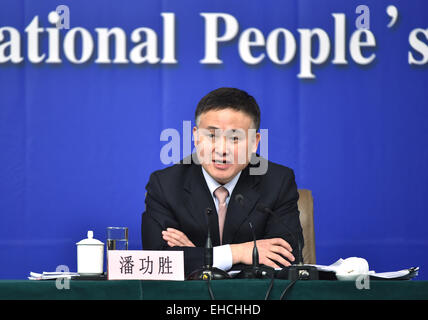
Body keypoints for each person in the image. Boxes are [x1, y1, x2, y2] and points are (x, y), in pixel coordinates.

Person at [141, 87, 303, 276]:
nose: (222, 149)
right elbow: (159, 262)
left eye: (235, 138)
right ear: (196, 136)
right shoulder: (165, 184)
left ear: (254, 142)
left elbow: (284, 259)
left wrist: (199, 258)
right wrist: (238, 253)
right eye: (212, 136)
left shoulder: (278, 182)